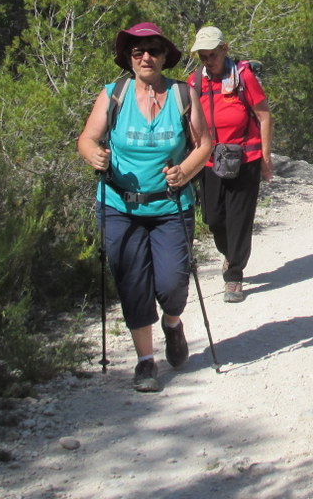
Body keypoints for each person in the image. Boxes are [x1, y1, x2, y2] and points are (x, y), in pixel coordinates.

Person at [77, 22, 213, 393]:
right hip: (119, 206)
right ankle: (145, 362)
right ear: (129, 59)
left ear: (165, 56)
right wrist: (95, 156)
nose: (146, 57)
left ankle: (172, 323)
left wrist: (185, 170)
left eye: (153, 50)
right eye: (138, 52)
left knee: (172, 286)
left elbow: (204, 144)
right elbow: (87, 138)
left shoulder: (183, 96)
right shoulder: (113, 94)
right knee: (132, 283)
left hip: (170, 205)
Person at [188, 26, 273, 304]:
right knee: (214, 218)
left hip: (245, 158)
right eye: (203, 56)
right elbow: (190, 121)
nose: (208, 60)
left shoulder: (243, 76)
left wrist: (266, 158)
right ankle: (229, 254)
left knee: (239, 218)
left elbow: (263, 116)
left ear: (224, 49)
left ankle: (234, 275)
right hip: (210, 159)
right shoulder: (195, 82)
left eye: (212, 54)